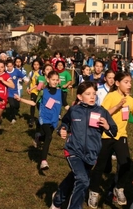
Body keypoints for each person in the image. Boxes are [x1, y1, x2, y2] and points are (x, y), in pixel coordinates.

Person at [50, 81, 117, 209]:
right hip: (73, 150)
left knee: (74, 178)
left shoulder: (102, 112)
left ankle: (57, 199)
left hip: (91, 154)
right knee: (83, 180)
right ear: (80, 97)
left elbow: (114, 130)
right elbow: (65, 123)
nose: (92, 96)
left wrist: (107, 127)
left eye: (94, 94)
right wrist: (62, 130)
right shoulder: (74, 110)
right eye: (88, 94)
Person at [88, 72, 133, 207]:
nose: (129, 85)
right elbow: (103, 113)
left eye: (130, 82)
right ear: (117, 83)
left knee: (126, 164)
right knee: (100, 167)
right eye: (126, 82)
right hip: (106, 135)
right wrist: (118, 105)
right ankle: (93, 192)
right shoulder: (111, 96)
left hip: (121, 136)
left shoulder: (131, 100)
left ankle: (119, 188)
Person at [15, 71, 62, 170]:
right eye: (53, 79)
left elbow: (65, 104)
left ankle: (38, 137)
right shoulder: (43, 91)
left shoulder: (60, 92)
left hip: (54, 120)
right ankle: (43, 162)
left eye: (56, 80)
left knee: (45, 138)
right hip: (44, 118)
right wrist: (21, 99)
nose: (55, 82)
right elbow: (33, 103)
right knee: (49, 137)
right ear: (48, 80)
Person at [6, 59, 28, 129]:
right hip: (9, 92)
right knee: (12, 105)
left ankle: (13, 112)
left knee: (17, 106)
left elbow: (24, 77)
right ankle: (13, 118)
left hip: (16, 91)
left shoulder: (16, 71)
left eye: (10, 66)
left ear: (13, 66)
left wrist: (25, 80)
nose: (9, 68)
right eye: (8, 66)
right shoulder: (5, 73)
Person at [27, 59, 42, 127]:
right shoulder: (31, 73)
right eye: (34, 64)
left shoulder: (41, 72)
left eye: (37, 64)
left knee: (39, 105)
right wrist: (28, 88)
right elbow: (27, 81)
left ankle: (41, 118)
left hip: (40, 91)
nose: (36, 66)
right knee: (32, 104)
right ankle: (31, 119)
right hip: (33, 91)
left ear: (40, 65)